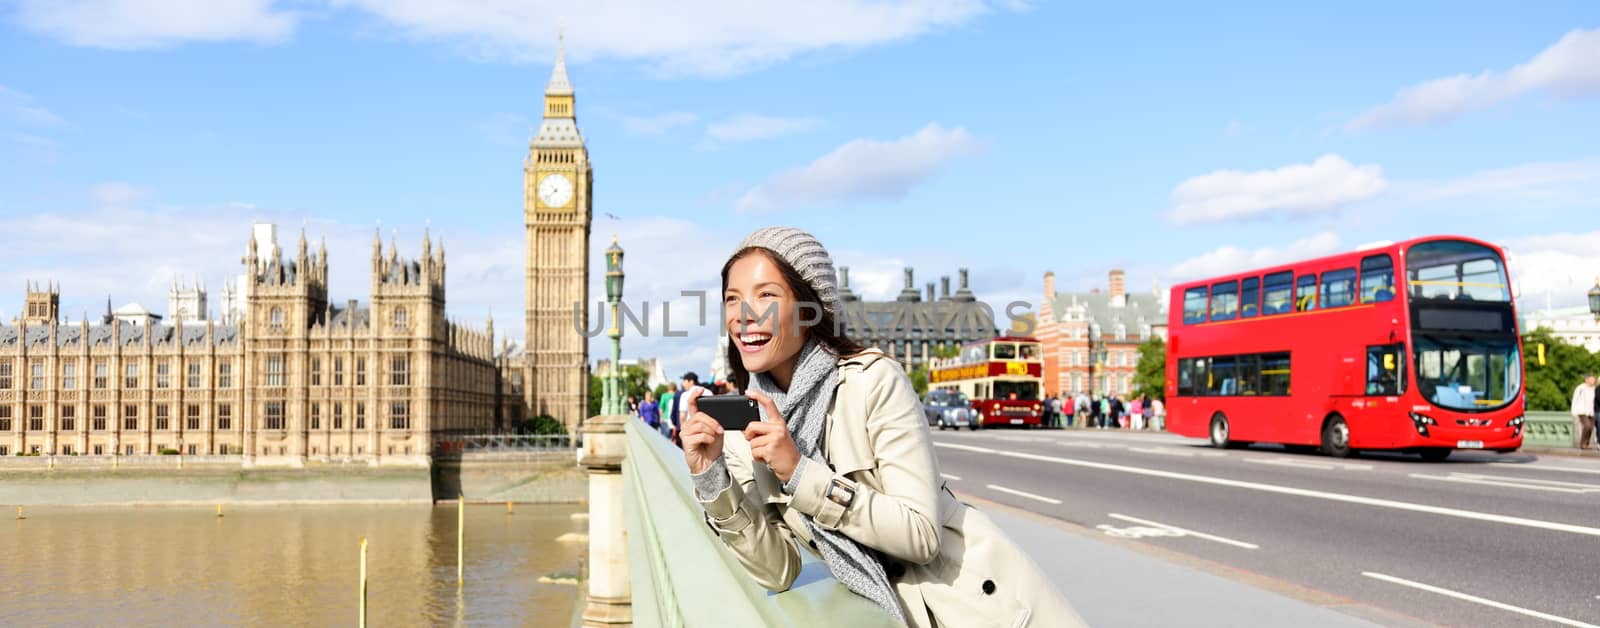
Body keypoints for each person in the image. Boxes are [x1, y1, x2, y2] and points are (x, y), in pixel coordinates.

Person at [683, 226, 1085, 627]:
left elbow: (921, 536)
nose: (744, 314)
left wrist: (800, 473)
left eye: (766, 295)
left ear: (811, 308)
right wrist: (710, 478)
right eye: (732, 299)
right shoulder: (744, 427)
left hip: (982, 609)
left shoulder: (873, 381)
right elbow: (777, 570)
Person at [670, 372, 709, 448]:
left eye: (684, 381)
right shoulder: (708, 392)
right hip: (707, 431)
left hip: (691, 432)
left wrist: (683, 433)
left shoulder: (685, 395)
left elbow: (682, 416)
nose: (683, 384)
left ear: (691, 381)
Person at [1572, 374, 1596, 451]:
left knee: (1591, 427)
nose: (1593, 381)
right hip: (1582, 411)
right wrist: (1573, 410)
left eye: (1594, 379)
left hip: (1591, 411)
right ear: (1587, 380)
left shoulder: (1594, 389)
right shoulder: (1581, 388)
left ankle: (1586, 444)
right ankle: (1582, 443)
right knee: (1587, 425)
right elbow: (1575, 399)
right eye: (1592, 379)